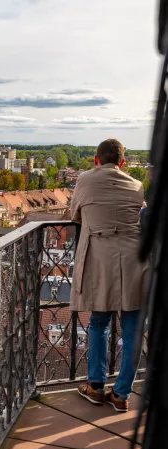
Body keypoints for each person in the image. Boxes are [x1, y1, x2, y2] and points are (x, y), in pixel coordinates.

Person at [71, 139, 147, 412]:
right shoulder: (136, 185)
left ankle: (95, 386)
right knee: (133, 329)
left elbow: (75, 215)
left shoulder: (84, 180)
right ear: (123, 163)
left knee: (99, 322)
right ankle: (122, 394)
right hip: (135, 261)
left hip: (100, 260)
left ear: (96, 160)